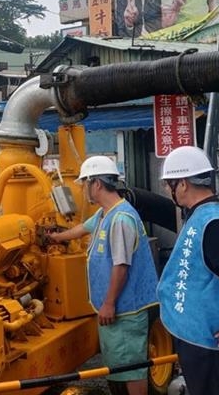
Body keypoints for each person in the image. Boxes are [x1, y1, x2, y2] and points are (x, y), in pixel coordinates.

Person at [48, 156, 159, 395]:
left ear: (96, 184)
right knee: (118, 366)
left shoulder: (120, 219)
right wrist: (54, 238)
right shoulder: (103, 214)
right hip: (113, 309)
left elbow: (121, 265)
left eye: (84, 183)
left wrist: (109, 303)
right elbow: (80, 230)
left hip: (126, 310)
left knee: (132, 367)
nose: (83, 189)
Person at [156, 146, 219, 395]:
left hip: (209, 341)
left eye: (170, 184)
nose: (168, 191)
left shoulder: (213, 223)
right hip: (200, 335)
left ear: (183, 184)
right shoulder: (203, 216)